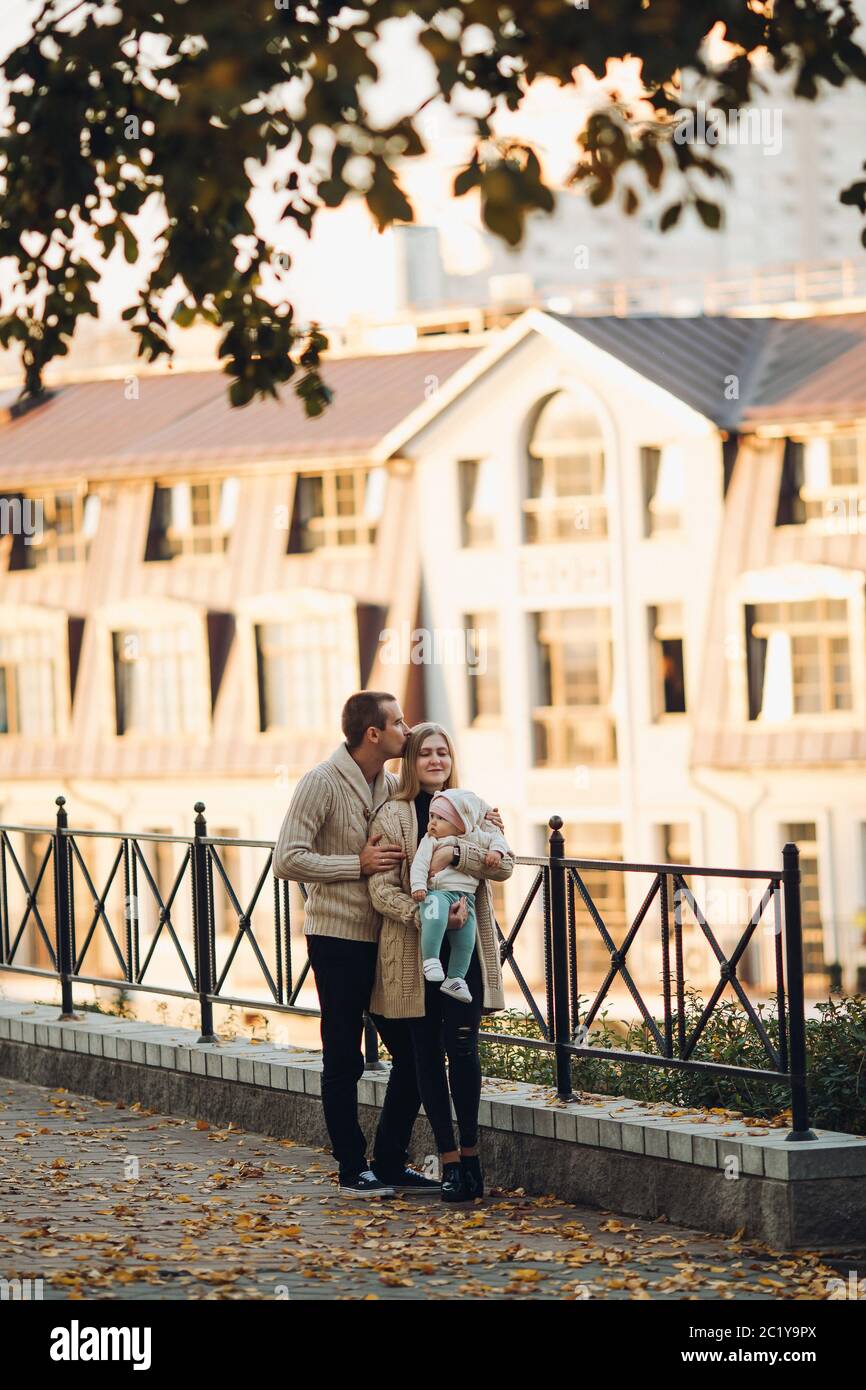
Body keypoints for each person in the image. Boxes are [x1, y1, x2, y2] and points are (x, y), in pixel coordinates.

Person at [273, 690, 438, 1198]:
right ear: (374, 734)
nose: (407, 731)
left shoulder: (393, 786)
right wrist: (357, 865)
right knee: (342, 1055)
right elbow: (287, 859)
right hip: (337, 937)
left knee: (412, 1054)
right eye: (399, 723)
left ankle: (389, 1160)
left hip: (389, 939)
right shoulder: (320, 783)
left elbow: (436, 821)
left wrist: (483, 826)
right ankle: (351, 1167)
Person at [368, 723, 511, 1203]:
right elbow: (380, 887)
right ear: (410, 761)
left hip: (465, 955)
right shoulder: (393, 814)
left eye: (442, 752)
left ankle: (472, 1158)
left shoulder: (473, 807)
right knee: (426, 1057)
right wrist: (426, 914)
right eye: (425, 752)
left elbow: (505, 865)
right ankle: (449, 1164)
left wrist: (457, 849)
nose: (435, 760)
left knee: (465, 1051)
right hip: (413, 956)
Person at [410, 789, 511, 1004]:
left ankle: (455, 978)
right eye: (432, 817)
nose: (433, 823)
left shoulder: (475, 836)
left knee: (466, 941)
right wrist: (419, 886)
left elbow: (499, 841)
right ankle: (431, 960)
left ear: (460, 823)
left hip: (466, 898)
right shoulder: (431, 840)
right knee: (434, 920)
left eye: (441, 818)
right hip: (437, 893)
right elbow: (420, 864)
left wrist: (496, 853)